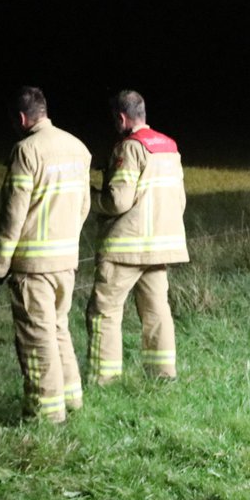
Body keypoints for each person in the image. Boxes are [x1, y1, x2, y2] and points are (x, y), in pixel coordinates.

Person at [0, 86, 92, 423]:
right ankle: (72, 399)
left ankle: (46, 414)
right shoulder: (78, 147)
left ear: (20, 118)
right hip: (67, 260)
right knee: (59, 329)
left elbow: (13, 215)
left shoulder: (26, 151)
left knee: (37, 338)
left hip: (33, 265)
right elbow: (84, 206)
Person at [86, 90, 189, 383]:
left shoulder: (129, 148)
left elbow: (118, 201)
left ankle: (104, 379)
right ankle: (162, 374)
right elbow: (179, 200)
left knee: (104, 312)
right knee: (157, 311)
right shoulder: (169, 147)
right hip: (161, 247)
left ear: (121, 118)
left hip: (126, 248)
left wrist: (91, 199)